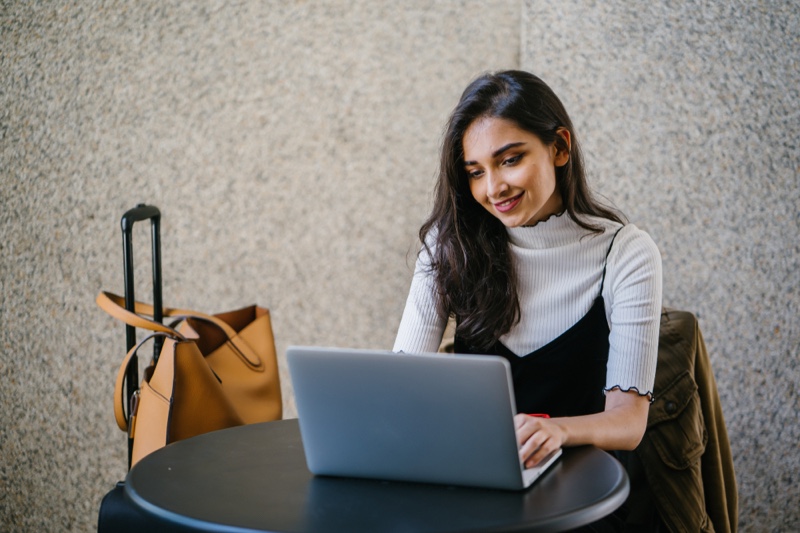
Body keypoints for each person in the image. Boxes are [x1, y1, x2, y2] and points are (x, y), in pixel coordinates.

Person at [393, 71, 662, 474]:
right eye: (475, 172)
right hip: (478, 475)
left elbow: (627, 422)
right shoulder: (452, 243)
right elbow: (400, 385)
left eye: (510, 160)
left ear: (559, 147)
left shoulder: (625, 253)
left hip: (583, 486)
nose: (494, 187)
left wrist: (558, 432)